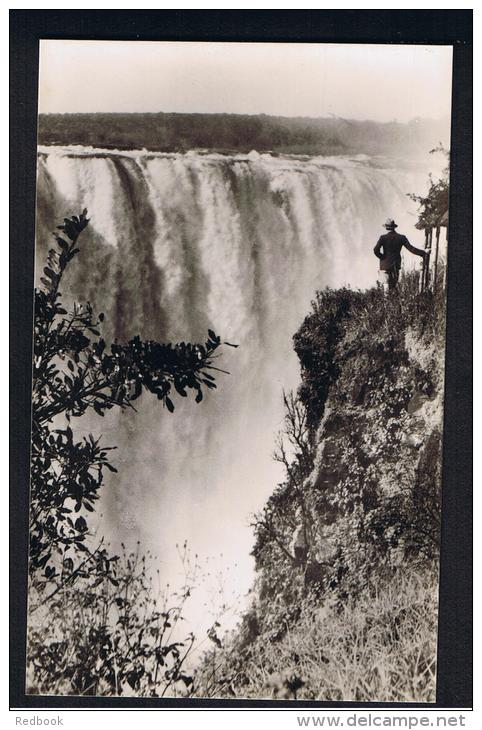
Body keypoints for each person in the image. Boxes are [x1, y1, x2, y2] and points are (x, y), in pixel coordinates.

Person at [374, 218, 427, 290]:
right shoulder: (401, 238)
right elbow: (411, 248)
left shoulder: (383, 238)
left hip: (384, 265)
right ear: (394, 227)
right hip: (395, 265)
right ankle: (393, 300)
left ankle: (386, 300)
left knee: (386, 288)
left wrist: (382, 257)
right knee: (393, 287)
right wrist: (423, 253)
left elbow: (375, 250)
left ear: (386, 227)